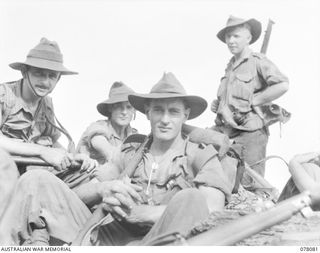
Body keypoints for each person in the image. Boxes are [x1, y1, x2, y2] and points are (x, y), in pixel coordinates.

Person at [0, 72, 235, 246]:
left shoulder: (200, 152)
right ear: (147, 114)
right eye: (158, 111)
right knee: (36, 179)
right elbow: (81, 192)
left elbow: (210, 208)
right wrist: (105, 189)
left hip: (161, 239)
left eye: (173, 111)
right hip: (109, 236)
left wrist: (143, 213)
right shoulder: (132, 152)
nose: (165, 119)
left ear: (185, 115)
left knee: (191, 197)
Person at [211, 16, 289, 190]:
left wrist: (256, 100)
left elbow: (283, 84)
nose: (231, 41)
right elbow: (229, 97)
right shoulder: (230, 66)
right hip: (227, 129)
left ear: (248, 38)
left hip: (251, 132)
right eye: (228, 37)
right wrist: (217, 105)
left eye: (236, 36)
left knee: (250, 183)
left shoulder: (258, 61)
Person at [0, 38, 97, 176]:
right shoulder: (4, 95)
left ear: (58, 79)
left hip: (30, 173)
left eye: (52, 76)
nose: (45, 82)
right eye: (38, 73)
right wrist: (43, 151)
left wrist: (71, 156)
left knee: (92, 177)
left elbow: (51, 140)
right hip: (4, 174)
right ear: (24, 72)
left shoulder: (46, 105)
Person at [76, 81, 137, 165]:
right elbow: (109, 152)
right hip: (87, 176)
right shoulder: (98, 127)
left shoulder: (134, 135)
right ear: (110, 108)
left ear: (134, 110)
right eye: (119, 106)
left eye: (129, 107)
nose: (124, 112)